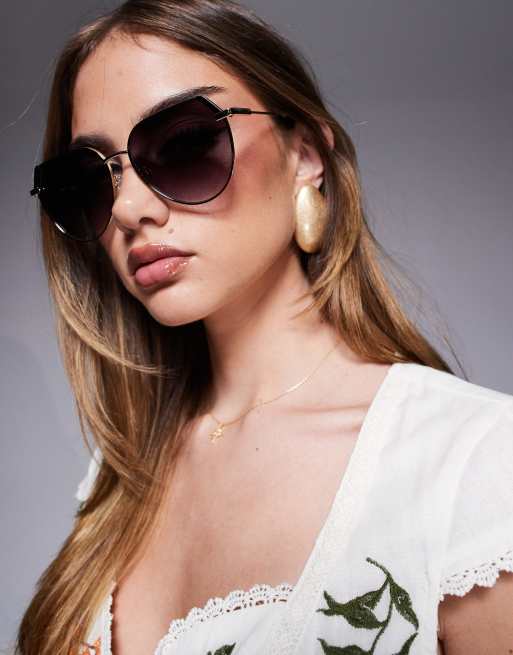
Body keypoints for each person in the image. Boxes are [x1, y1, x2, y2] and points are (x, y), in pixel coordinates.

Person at [15, 1, 512, 654]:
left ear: (304, 155)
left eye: (183, 145)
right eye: (89, 181)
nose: (130, 209)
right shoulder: (120, 472)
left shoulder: (471, 461)